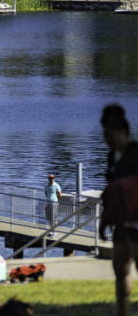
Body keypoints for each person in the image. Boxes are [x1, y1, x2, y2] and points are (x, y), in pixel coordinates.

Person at [100, 103, 138, 316]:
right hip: (120, 223)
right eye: (104, 136)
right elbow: (111, 193)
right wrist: (105, 220)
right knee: (120, 269)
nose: (107, 140)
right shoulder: (111, 157)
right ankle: (121, 312)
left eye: (110, 135)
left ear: (123, 132)